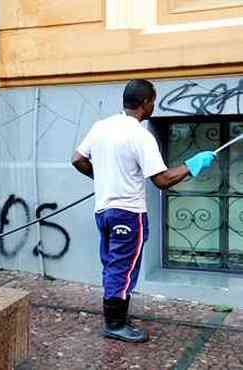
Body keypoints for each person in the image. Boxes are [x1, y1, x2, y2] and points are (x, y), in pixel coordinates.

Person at [71, 79, 216, 343]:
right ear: (146, 102)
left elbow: (77, 159)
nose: (154, 106)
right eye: (153, 101)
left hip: (103, 212)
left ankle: (118, 315)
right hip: (128, 213)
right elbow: (162, 180)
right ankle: (114, 324)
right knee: (122, 268)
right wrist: (192, 165)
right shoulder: (140, 135)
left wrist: (103, 178)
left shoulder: (101, 127)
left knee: (112, 264)